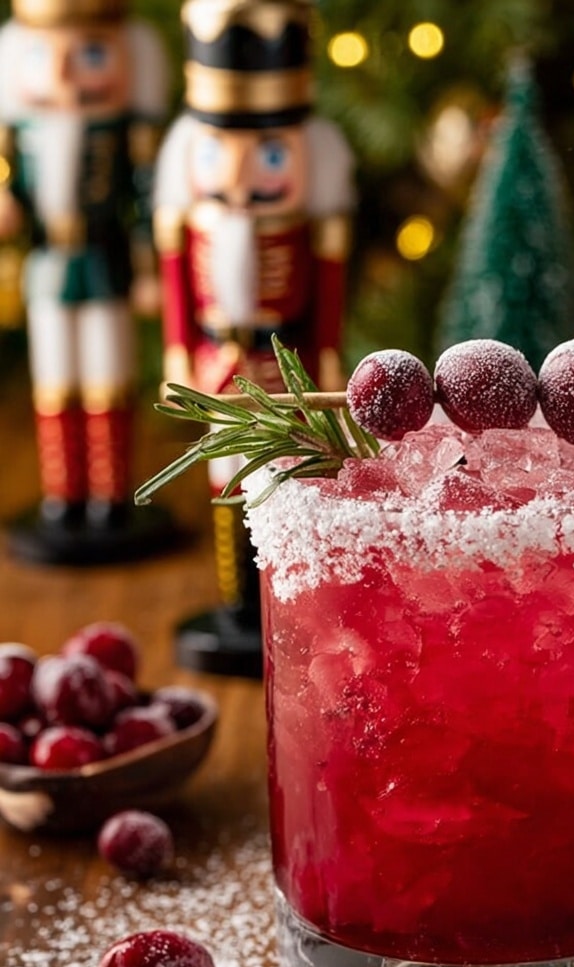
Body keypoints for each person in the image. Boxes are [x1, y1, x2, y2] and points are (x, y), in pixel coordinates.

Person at [153, 0, 354, 675]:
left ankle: (280, 598)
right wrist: (180, 354)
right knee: (222, 477)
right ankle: (236, 600)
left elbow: (324, 306)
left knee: (285, 479)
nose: (240, 178)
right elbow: (179, 290)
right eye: (218, 154)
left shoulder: (309, 226)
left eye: (269, 155)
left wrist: (325, 367)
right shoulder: (195, 223)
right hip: (220, 366)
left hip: (283, 369)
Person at [0, 0, 176, 564]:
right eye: (43, 57)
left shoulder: (123, 132)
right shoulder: (21, 134)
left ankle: (108, 492)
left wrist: (150, 270)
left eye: (92, 54)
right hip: (50, 263)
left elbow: (148, 200)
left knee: (106, 373)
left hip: (107, 261)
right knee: (55, 381)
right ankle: (63, 493)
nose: (65, 75)